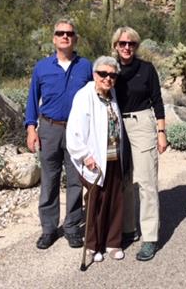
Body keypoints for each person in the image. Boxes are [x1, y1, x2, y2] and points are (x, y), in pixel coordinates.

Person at [25, 19, 93, 250]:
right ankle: (49, 229)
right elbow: (32, 99)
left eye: (69, 33)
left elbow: (96, 98)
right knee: (49, 180)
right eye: (60, 33)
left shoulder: (86, 66)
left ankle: (73, 228)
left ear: (75, 39)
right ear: (54, 38)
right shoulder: (42, 67)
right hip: (49, 129)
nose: (65, 36)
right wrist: (31, 128)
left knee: (75, 180)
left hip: (77, 131)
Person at [112, 26, 168, 261]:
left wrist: (161, 131)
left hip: (142, 123)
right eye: (122, 43)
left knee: (145, 182)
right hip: (116, 126)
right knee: (124, 181)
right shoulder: (110, 70)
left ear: (136, 46)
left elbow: (157, 99)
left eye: (131, 44)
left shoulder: (146, 69)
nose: (127, 47)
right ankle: (127, 230)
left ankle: (150, 238)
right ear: (115, 45)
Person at [66, 56, 126, 262]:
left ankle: (112, 242)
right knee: (95, 202)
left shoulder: (113, 95)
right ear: (94, 74)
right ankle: (93, 245)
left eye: (112, 75)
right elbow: (74, 131)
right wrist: (85, 156)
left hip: (114, 156)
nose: (107, 78)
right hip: (95, 159)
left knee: (115, 200)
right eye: (103, 74)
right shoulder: (84, 96)